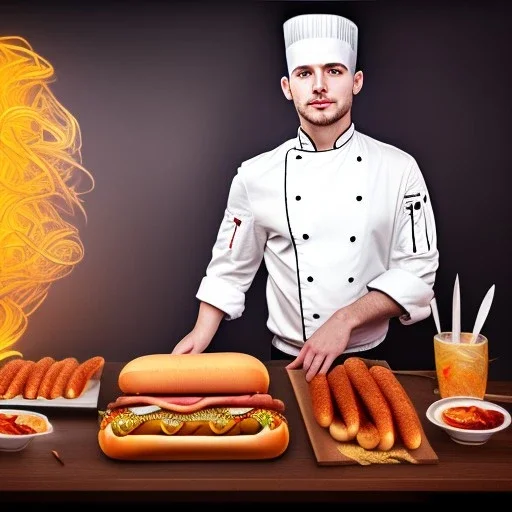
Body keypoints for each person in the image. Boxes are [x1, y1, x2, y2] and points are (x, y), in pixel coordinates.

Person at [171, 13, 439, 382]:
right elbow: (229, 269)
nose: (319, 86)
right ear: (287, 86)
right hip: (288, 362)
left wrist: (345, 319)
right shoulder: (255, 175)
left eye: (333, 71)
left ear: (356, 81)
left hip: (372, 359)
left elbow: (418, 272)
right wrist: (199, 336)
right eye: (304, 74)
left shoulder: (399, 168)